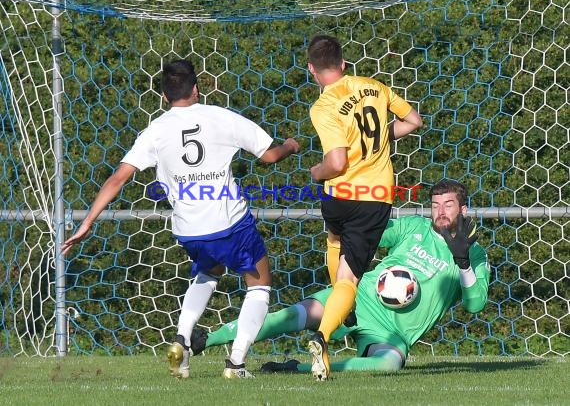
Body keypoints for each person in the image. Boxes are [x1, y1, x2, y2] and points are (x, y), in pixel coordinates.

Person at [61, 59, 300, 379]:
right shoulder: (220, 116)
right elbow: (270, 155)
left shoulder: (156, 130)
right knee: (259, 285)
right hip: (230, 222)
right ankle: (237, 364)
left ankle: (181, 340)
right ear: (197, 89)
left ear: (163, 95)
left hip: (189, 229)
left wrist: (87, 222)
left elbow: (118, 178)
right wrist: (290, 146)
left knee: (208, 272)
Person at [186, 180, 490, 375]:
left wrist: (462, 262)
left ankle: (298, 368)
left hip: (391, 333)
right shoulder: (414, 227)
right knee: (289, 317)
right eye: (435, 205)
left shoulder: (474, 255)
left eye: (448, 205)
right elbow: (372, 235)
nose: (440, 212)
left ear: (463, 209)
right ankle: (203, 339)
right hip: (357, 300)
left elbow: (475, 306)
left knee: (388, 365)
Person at [306, 34, 424, 380]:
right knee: (350, 276)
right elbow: (414, 120)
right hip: (374, 196)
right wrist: (383, 139)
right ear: (343, 63)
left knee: (333, 240)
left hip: (337, 196)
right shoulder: (375, 87)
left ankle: (340, 315)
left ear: (312, 69)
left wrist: (316, 171)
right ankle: (324, 334)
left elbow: (336, 162)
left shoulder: (323, 106)